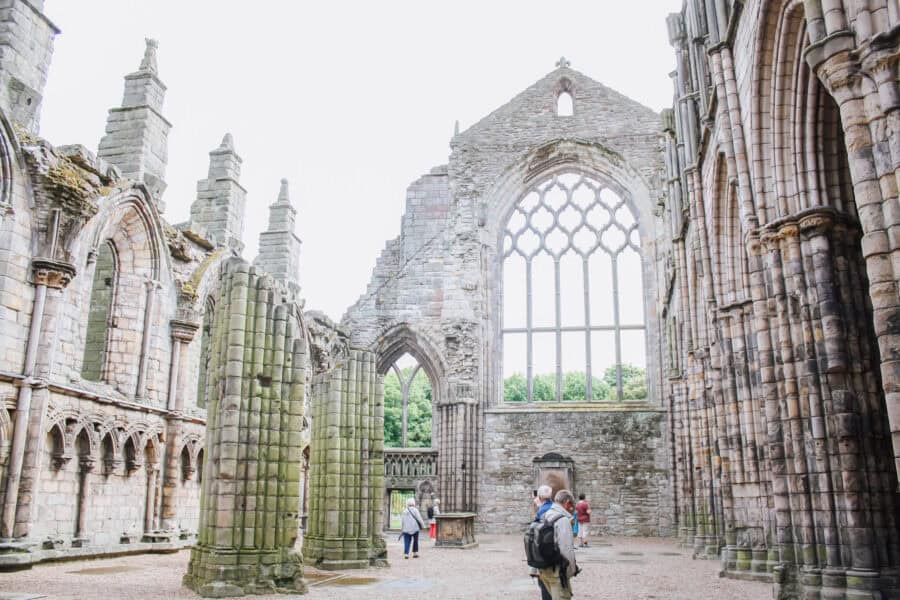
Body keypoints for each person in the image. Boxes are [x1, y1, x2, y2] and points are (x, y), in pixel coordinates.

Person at [538, 489, 579, 600]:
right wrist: (571, 572)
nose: (573, 509)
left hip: (544, 568)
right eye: (572, 505)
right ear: (567, 503)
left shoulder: (545, 514)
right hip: (557, 572)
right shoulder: (563, 520)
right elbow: (566, 549)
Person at [531, 485, 555, 600]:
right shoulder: (555, 507)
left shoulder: (542, 511)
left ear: (539, 496)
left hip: (544, 552)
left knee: (545, 585)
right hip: (556, 551)